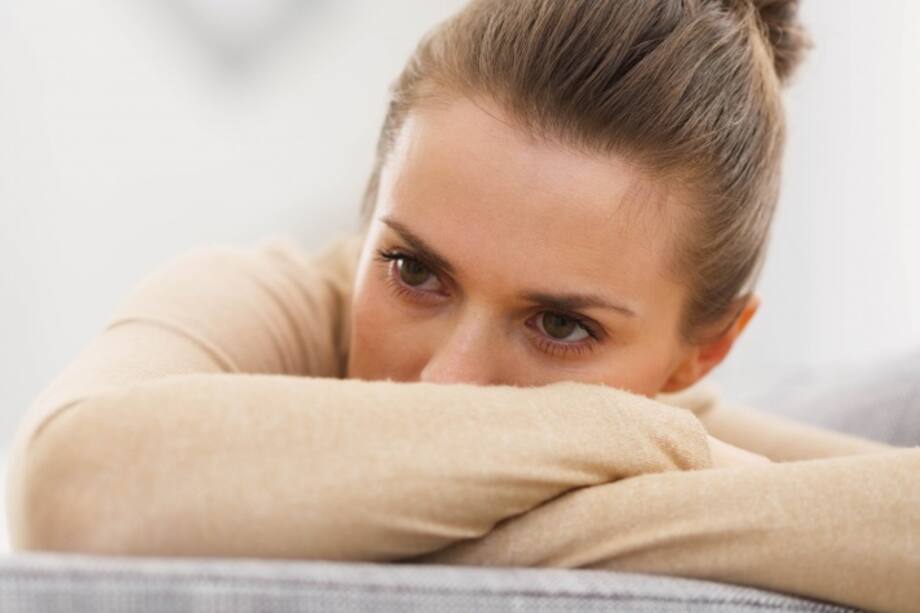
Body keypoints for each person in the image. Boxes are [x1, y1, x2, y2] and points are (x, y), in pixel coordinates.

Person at [7, 0, 919, 611]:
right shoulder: (273, 299)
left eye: (561, 326)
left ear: (699, 357)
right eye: (412, 270)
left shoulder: (687, 410)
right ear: (370, 212)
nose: (446, 379)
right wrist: (636, 442)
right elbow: (71, 491)